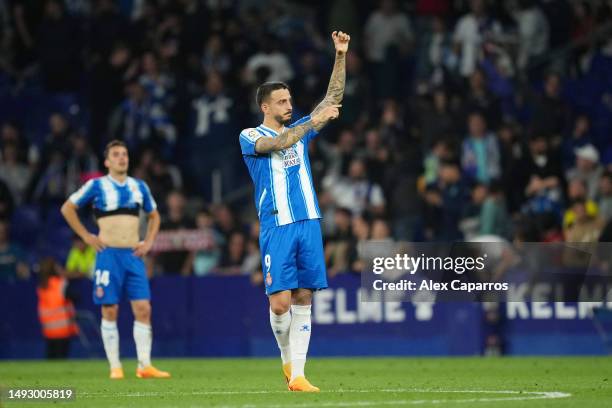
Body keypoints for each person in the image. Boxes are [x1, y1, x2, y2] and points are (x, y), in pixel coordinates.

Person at [238, 31, 350, 392]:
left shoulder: (299, 127)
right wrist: (313, 122)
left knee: (304, 296)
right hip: (277, 225)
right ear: (265, 107)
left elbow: (333, 97)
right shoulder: (250, 136)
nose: (289, 105)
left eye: (290, 100)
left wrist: (340, 54)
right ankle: (287, 359)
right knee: (280, 304)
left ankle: (299, 375)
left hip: (308, 222)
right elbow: (280, 142)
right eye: (282, 101)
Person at [60, 140, 170, 379]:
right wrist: (86, 236)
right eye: (117, 155)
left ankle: (144, 365)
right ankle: (115, 367)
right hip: (108, 255)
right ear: (107, 162)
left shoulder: (138, 186)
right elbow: (67, 208)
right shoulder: (96, 185)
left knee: (143, 308)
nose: (122, 158)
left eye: (125, 154)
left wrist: (149, 241)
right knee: (110, 310)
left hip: (133, 255)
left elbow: (154, 215)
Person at [37, 257, 78, 359]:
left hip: (48, 329)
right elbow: (76, 297)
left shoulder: (42, 285)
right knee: (61, 357)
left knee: (51, 356)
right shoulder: (61, 284)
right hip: (62, 329)